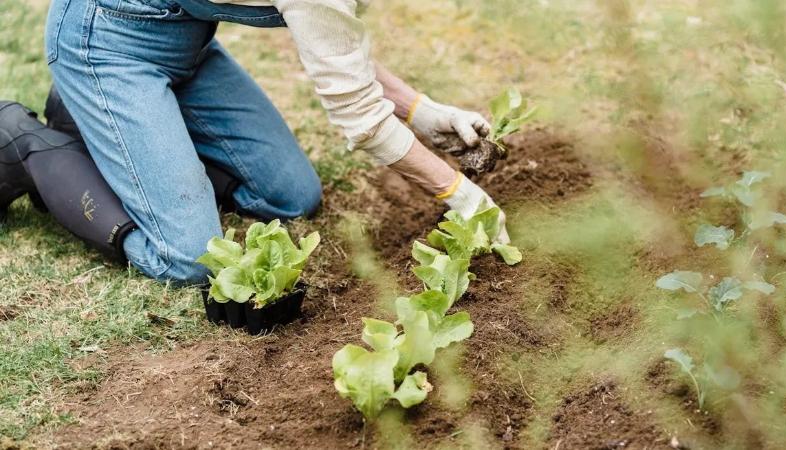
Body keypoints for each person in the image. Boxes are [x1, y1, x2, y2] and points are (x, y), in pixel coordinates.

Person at [0, 0, 508, 284]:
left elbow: (331, 39)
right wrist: (459, 196)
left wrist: (420, 110)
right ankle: (27, 144)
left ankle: (99, 117)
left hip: (186, 45)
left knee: (291, 198)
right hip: (104, 40)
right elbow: (359, 117)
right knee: (193, 258)